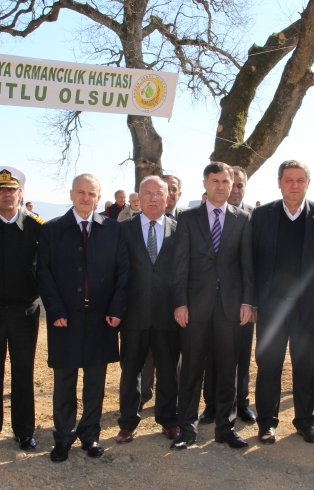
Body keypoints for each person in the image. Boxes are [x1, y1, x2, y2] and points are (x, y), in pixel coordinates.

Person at [36, 174, 129, 462]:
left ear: (99, 198)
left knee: (95, 384)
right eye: (81, 192)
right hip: (66, 320)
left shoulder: (113, 230)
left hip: (102, 320)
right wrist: (56, 310)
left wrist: (116, 309)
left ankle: (89, 436)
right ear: (72, 194)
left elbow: (123, 273)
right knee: (65, 382)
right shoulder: (52, 230)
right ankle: (63, 437)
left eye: (91, 193)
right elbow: (43, 274)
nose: (86, 198)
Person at [252, 160, 314, 444]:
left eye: (300, 180)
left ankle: (305, 421)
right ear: (279, 182)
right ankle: (266, 423)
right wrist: (252, 302)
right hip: (272, 309)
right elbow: (251, 263)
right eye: (288, 180)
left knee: (306, 369)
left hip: (309, 309)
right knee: (269, 368)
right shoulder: (262, 215)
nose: (294, 185)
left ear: (308, 183)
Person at [171, 162, 254, 450]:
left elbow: (247, 265)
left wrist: (247, 302)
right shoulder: (188, 218)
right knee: (192, 368)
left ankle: (225, 429)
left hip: (231, 307)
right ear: (205, 183)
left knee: (228, 370)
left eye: (225, 181)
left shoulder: (243, 219)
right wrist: (180, 303)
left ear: (232, 184)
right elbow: (179, 265)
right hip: (194, 307)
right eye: (215, 180)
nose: (220, 186)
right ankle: (187, 429)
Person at [0, 167, 44, 452]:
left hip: (24, 311)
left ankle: (24, 432)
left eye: (11, 190)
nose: (6, 195)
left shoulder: (37, 227)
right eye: (0, 190)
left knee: (23, 373)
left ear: (21, 193)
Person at [116, 176, 180, 443]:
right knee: (130, 372)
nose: (153, 198)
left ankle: (169, 420)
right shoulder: (123, 229)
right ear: (138, 198)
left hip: (169, 315)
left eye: (159, 193)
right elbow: (116, 273)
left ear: (168, 198)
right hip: (133, 314)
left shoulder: (179, 230)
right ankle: (128, 423)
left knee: (168, 371)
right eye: (147, 193)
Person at [201, 166, 256, 425]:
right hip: (210, 302)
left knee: (241, 356)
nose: (234, 190)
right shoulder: (206, 215)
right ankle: (211, 404)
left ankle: (241, 403)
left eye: (239, 185)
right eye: (230, 185)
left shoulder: (254, 217)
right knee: (212, 355)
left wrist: (251, 301)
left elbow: (253, 264)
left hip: (240, 303)